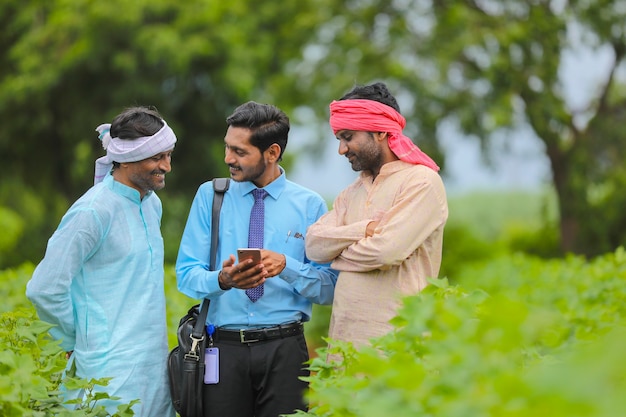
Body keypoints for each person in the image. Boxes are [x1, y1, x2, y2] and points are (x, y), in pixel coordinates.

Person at [176, 101, 338, 417]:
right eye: (227, 148)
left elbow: (330, 288)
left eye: (239, 152)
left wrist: (286, 267)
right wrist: (222, 280)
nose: (227, 159)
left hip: (286, 350)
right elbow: (185, 274)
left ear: (272, 153)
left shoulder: (310, 206)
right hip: (222, 348)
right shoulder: (211, 197)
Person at [26, 106, 177, 416]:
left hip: (154, 370)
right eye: (157, 157)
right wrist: (73, 337)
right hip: (107, 374)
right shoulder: (92, 212)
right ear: (127, 157)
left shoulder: (152, 205)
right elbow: (44, 287)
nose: (167, 166)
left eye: (169, 155)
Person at [305, 82, 448, 348]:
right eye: (339, 140)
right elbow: (313, 246)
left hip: (397, 347)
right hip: (344, 346)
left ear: (381, 130)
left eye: (348, 137)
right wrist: (364, 230)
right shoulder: (351, 193)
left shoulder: (421, 182)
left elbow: (386, 252)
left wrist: (336, 254)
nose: (342, 149)